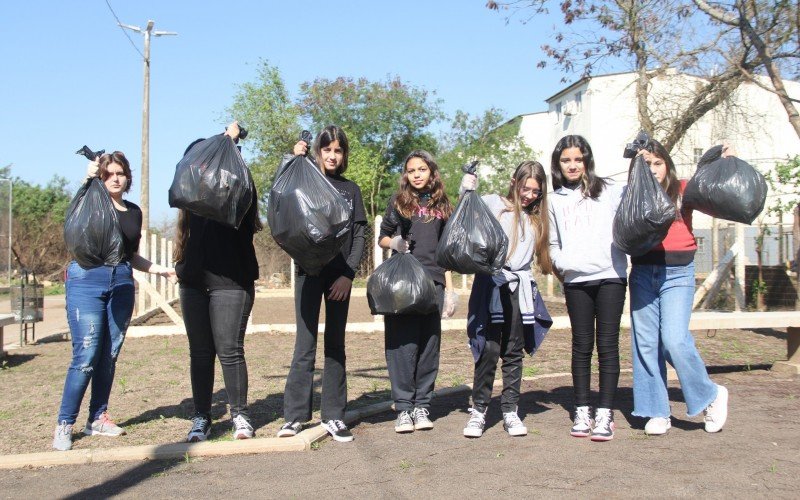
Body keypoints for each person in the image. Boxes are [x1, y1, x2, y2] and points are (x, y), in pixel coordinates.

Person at [53, 151, 177, 451]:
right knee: (86, 356)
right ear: (100, 177)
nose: (115, 178)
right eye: (108, 174)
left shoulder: (134, 212)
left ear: (127, 176)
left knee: (109, 354)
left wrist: (162, 270)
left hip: (121, 281)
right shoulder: (90, 204)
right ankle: (65, 424)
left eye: (119, 173)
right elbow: (77, 208)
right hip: (87, 279)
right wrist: (88, 175)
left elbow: (130, 255)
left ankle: (97, 418)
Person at [629, 140, 729, 435]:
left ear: (667, 166)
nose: (653, 169)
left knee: (674, 339)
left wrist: (721, 160)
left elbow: (715, 192)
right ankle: (657, 411)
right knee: (646, 344)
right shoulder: (633, 195)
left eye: (657, 163)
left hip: (677, 273)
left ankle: (710, 395)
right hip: (643, 272)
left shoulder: (683, 189)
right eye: (646, 164)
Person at [278, 126, 367, 443]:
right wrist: (291, 159)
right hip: (308, 272)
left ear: (343, 155)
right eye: (326, 149)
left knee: (335, 345)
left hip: (339, 276)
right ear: (317, 152)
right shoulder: (304, 180)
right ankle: (294, 417)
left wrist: (349, 274)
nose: (332, 155)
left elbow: (359, 236)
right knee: (305, 345)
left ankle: (334, 416)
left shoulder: (350, 190)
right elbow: (282, 203)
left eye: (338, 150)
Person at [174, 121, 261, 443]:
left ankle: (240, 414)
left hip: (231, 280)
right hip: (194, 280)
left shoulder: (235, 185)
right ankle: (201, 417)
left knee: (229, 350)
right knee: (200, 352)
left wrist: (228, 143)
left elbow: (231, 194)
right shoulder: (190, 195)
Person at [460, 161, 553, 438]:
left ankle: (510, 409)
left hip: (519, 288)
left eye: (535, 191)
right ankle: (479, 410)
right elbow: (465, 211)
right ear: (514, 181)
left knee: (513, 350)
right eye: (525, 188)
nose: (529, 195)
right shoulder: (493, 203)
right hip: (491, 283)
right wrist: (467, 186)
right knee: (488, 349)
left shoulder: (536, 217)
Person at [548, 135, 627, 441]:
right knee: (582, 346)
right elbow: (552, 242)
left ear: (587, 161)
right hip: (576, 280)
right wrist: (564, 263)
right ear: (558, 164)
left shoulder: (608, 190)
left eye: (578, 159)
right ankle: (582, 410)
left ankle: (605, 413)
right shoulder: (554, 200)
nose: (572, 165)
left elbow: (640, 192)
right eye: (566, 160)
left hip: (611, 276)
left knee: (607, 346)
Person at [378, 150, 456, 434]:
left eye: (422, 169)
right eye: (411, 170)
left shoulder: (443, 205)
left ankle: (422, 406)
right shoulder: (399, 202)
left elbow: (448, 248)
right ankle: (403, 408)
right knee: (402, 346)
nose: (417, 174)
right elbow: (382, 236)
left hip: (433, 282)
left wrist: (449, 290)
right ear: (406, 175)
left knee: (428, 346)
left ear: (431, 171)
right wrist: (395, 242)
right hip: (403, 284)